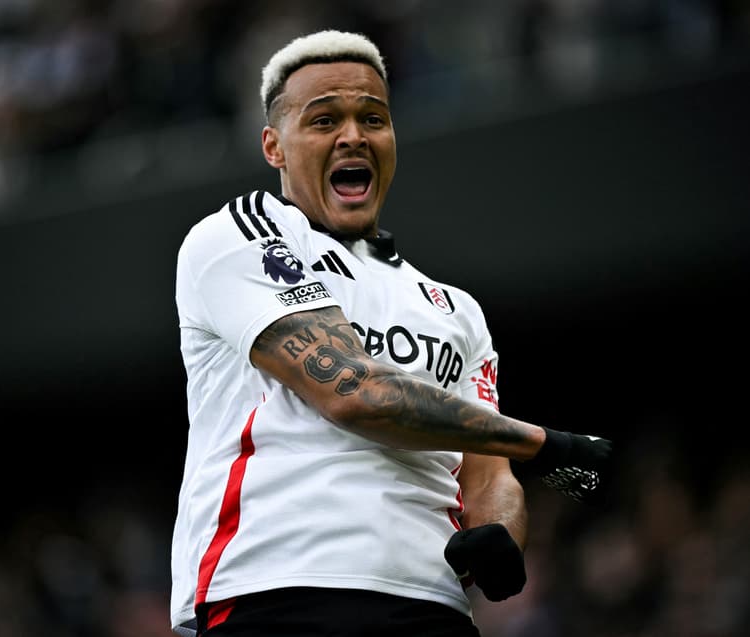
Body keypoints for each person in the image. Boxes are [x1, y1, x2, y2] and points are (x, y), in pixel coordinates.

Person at [170, 29, 612, 637]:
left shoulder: (457, 309)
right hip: (278, 590)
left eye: (372, 118)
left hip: (432, 605)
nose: (353, 135)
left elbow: (487, 471)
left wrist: (500, 533)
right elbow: (353, 390)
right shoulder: (244, 235)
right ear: (274, 146)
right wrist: (546, 444)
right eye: (324, 120)